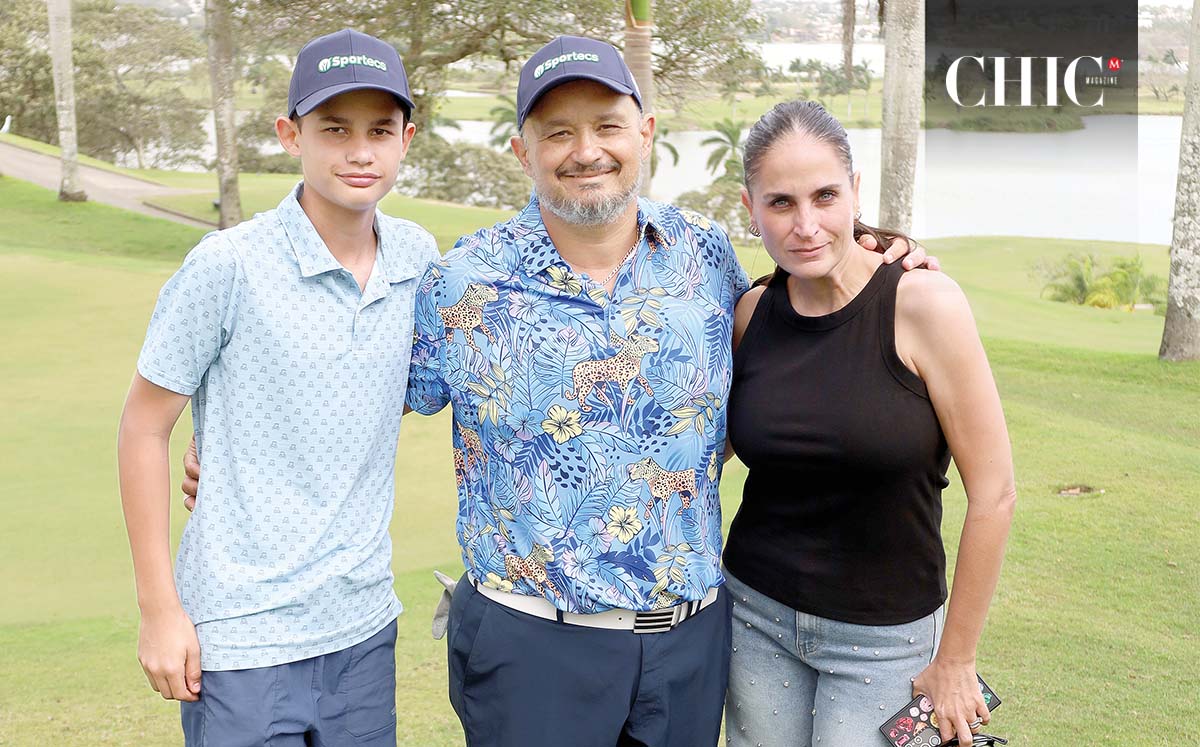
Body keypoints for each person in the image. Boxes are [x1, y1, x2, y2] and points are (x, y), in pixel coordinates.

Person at [402, 37, 930, 747]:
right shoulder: (462, 280)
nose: (586, 150)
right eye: (558, 131)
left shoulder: (706, 254)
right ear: (521, 149)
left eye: (607, 125)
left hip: (689, 645)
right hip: (533, 646)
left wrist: (885, 254)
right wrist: (217, 453)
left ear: (645, 133)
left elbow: (798, 332)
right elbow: (369, 405)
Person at [116, 29, 437, 745]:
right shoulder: (227, 264)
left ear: (406, 139)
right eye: (334, 129)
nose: (359, 151)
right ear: (290, 134)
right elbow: (143, 426)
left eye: (379, 130)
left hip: (361, 626)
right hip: (241, 636)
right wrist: (159, 608)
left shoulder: (417, 256)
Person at [721, 100, 1016, 747]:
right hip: (754, 614)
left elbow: (994, 491)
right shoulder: (750, 314)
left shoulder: (924, 304)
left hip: (887, 641)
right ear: (751, 209)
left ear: (856, 191)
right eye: (780, 203)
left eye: (825, 195)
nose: (806, 224)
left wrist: (957, 658)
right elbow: (705, 451)